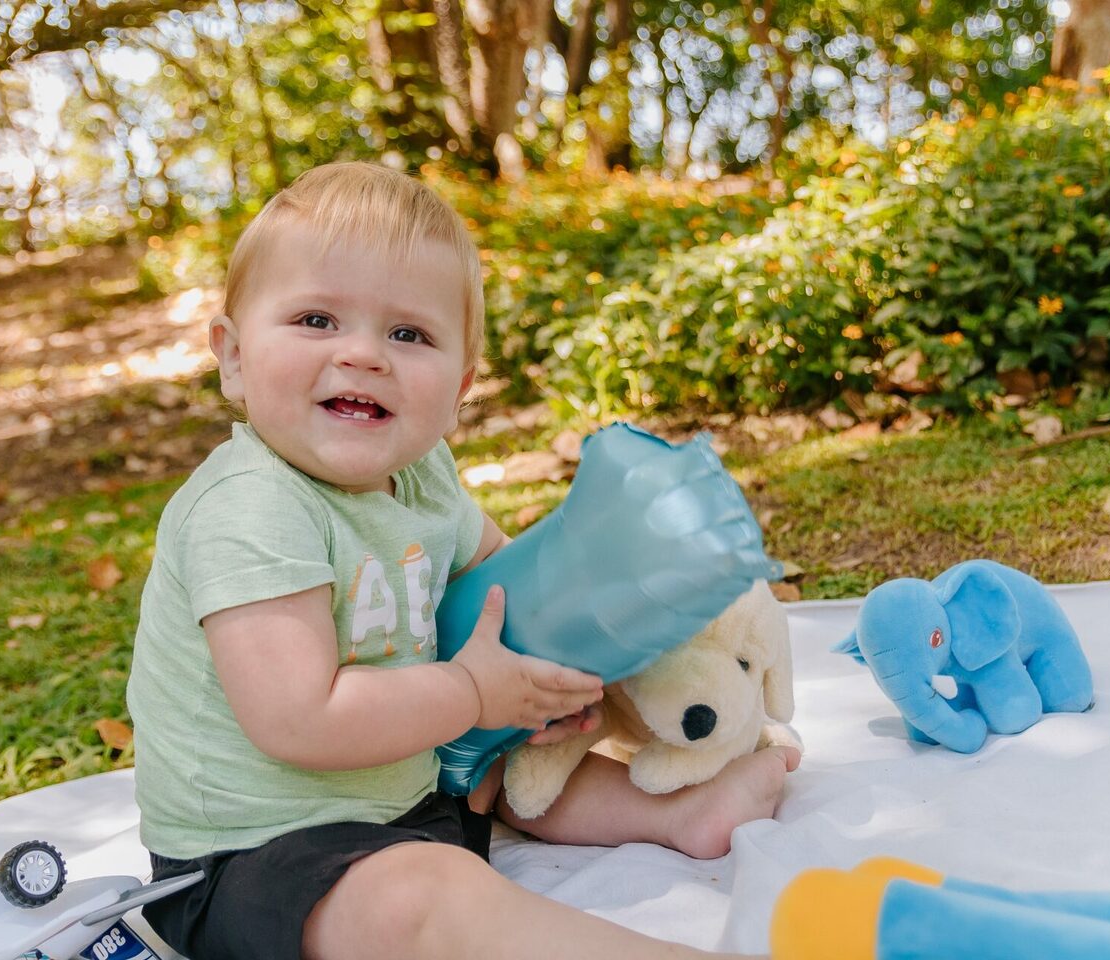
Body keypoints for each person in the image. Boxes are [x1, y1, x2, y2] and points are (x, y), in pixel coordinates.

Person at [126, 161, 800, 960]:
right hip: (255, 858)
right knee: (421, 899)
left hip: (412, 790)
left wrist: (542, 683)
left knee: (517, 765)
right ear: (234, 356)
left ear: (459, 390)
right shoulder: (251, 508)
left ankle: (674, 813)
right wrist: (474, 692)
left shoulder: (424, 476)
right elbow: (297, 719)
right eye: (316, 319)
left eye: (408, 334)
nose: (363, 354)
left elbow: (503, 585)